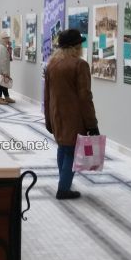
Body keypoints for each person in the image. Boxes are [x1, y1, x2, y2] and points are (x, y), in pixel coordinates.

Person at [44, 29, 99, 200]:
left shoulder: (52, 64)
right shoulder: (80, 65)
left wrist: (48, 119)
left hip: (57, 115)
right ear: (76, 47)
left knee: (63, 148)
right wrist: (92, 124)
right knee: (71, 152)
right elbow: (85, 97)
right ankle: (63, 189)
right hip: (74, 118)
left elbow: (47, 96)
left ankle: (64, 181)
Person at [0, 29, 15, 105]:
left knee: (4, 83)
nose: (8, 39)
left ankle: (7, 97)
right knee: (0, 83)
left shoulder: (0, 46)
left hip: (0, 69)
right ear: (3, 39)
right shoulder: (1, 47)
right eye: (7, 38)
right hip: (1, 70)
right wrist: (5, 72)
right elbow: (2, 61)